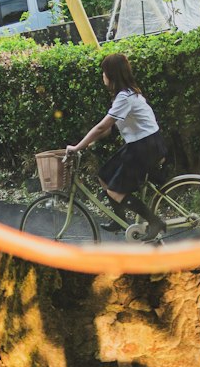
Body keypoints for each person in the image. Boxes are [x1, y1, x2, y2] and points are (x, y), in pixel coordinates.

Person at [66, 53, 167, 239]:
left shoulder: (125, 97)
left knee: (114, 190)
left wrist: (77, 147)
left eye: (104, 72)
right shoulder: (126, 94)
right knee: (104, 176)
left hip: (145, 146)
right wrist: (91, 141)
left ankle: (155, 222)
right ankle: (119, 219)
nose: (102, 76)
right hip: (141, 143)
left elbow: (102, 126)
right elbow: (108, 129)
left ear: (111, 74)